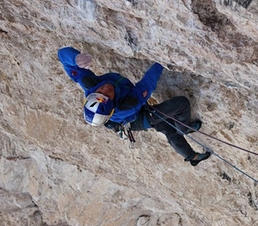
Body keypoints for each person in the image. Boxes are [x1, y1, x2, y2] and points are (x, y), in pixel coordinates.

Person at [57, 46, 211, 166]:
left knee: (166, 126)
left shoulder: (90, 85)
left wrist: (75, 59)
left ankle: (190, 154)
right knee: (178, 108)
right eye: (107, 95)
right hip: (138, 118)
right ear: (112, 105)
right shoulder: (129, 104)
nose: (105, 89)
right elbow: (147, 84)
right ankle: (186, 130)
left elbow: (62, 55)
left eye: (99, 92)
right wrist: (162, 61)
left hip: (128, 118)